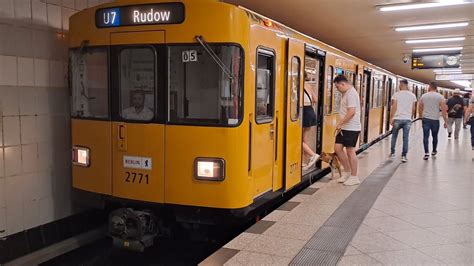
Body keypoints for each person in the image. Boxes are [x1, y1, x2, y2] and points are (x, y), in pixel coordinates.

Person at [333, 75, 361, 186]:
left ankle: (354, 177)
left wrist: (340, 123)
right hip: (345, 127)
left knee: (350, 151)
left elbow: (351, 112)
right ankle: (347, 172)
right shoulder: (346, 93)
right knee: (338, 148)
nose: (337, 89)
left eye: (337, 86)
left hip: (351, 127)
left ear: (343, 84)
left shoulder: (351, 94)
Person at [418, 82, 448, 160]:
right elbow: (444, 110)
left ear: (429, 87)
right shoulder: (440, 97)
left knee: (425, 136)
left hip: (426, 119)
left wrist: (421, 117)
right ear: (436, 88)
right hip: (435, 120)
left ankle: (426, 153)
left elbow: (420, 107)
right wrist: (445, 121)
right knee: (435, 136)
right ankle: (434, 150)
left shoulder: (424, 96)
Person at [389, 79, 417, 162]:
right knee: (406, 138)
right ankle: (404, 156)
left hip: (397, 118)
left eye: (399, 84)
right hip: (407, 119)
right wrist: (410, 117)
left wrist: (391, 118)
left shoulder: (396, 95)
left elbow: (394, 107)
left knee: (394, 136)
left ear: (402, 85)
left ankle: (393, 153)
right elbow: (413, 108)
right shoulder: (412, 95)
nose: (399, 86)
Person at [302, 73, 320, 171]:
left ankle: (313, 155)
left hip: (303, 112)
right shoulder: (308, 85)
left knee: (298, 139)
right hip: (310, 112)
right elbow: (315, 100)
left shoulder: (297, 84)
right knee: (304, 139)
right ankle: (304, 162)